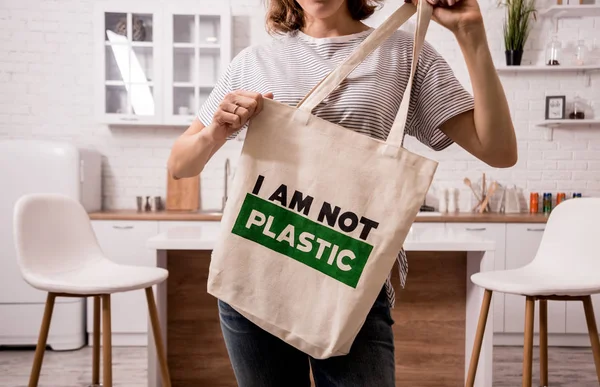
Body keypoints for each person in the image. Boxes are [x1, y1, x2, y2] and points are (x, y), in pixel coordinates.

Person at [167, 0, 517, 385]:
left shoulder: (404, 55)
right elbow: (181, 165)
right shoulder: (255, 61)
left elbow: (498, 150)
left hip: (350, 283)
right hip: (253, 276)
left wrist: (471, 34)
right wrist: (216, 130)